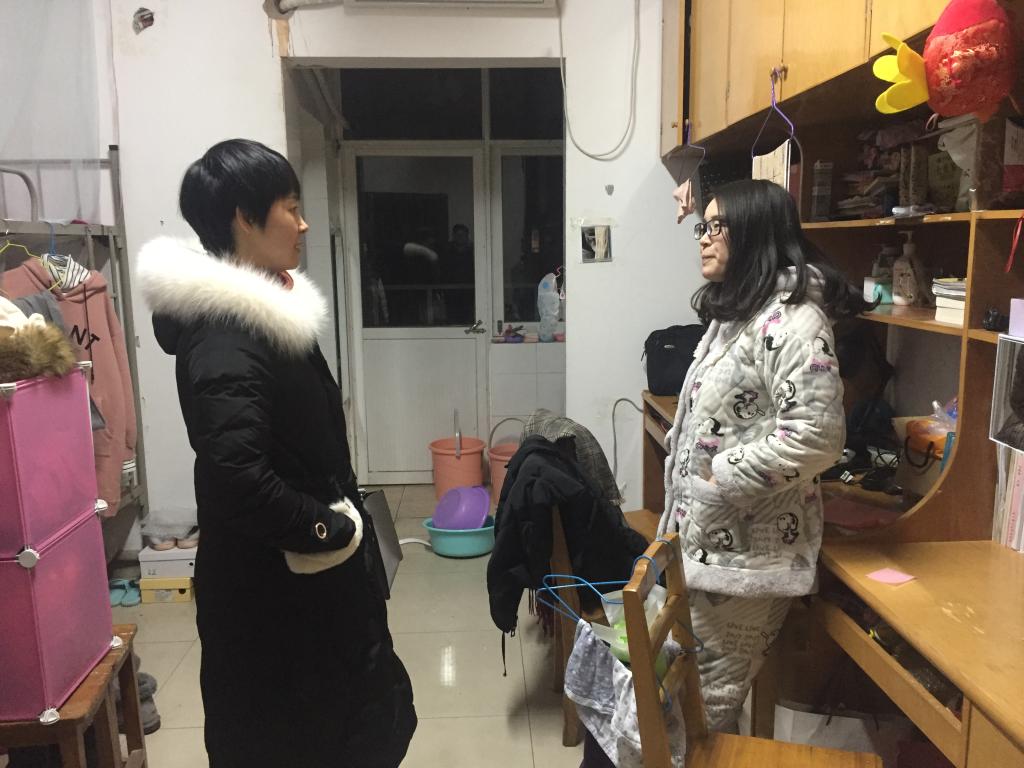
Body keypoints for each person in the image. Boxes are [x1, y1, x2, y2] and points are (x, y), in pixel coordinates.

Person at [136, 139, 416, 767]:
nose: (303, 223)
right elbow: (236, 478)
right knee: (297, 736)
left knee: (341, 721)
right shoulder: (227, 334)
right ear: (244, 217)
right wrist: (330, 530)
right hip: (278, 596)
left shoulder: (262, 314)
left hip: (302, 589)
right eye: (290, 207)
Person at [658, 179, 871, 731]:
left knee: (701, 713)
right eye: (702, 226)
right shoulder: (744, 314)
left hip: (748, 559)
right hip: (712, 545)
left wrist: (721, 474)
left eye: (716, 226)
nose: (703, 238)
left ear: (753, 233)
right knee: (687, 705)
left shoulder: (795, 321)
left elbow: (817, 436)